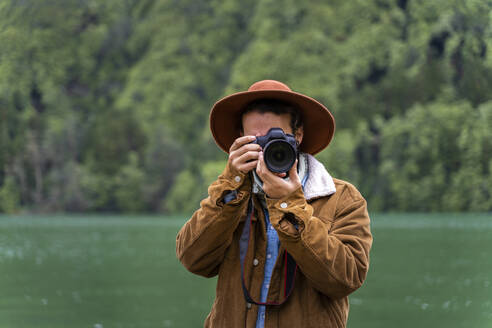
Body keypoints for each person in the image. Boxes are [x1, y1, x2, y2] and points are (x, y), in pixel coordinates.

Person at [176, 80, 373, 328]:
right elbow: (193, 259)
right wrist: (232, 185)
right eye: (254, 140)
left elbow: (346, 279)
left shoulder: (341, 198)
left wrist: (289, 204)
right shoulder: (231, 195)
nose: (267, 148)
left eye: (275, 138)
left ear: (298, 135)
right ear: (239, 140)